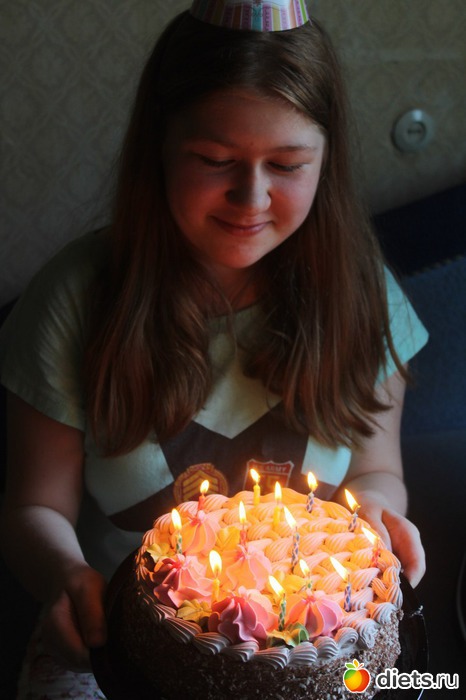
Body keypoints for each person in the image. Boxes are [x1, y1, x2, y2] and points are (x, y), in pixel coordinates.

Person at [0, 1, 428, 697]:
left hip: (313, 657)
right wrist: (64, 577)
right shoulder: (77, 299)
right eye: (214, 160)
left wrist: (379, 509)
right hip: (119, 644)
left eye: (286, 164)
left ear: (326, 161)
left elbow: (378, 471)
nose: (249, 196)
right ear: (159, 148)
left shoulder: (359, 295)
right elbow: (34, 508)